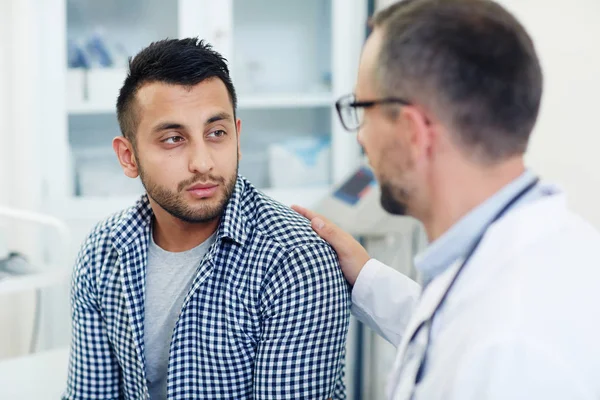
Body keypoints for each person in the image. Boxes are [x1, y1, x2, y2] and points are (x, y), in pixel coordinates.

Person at [293, 0, 600, 399]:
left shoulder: (515, 346)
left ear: (412, 130)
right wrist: (366, 275)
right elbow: (451, 333)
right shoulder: (538, 252)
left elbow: (477, 347)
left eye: (361, 110)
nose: (360, 136)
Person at [63, 38, 350, 400]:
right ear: (128, 156)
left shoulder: (295, 260)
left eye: (216, 133)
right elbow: (91, 395)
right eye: (172, 139)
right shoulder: (102, 251)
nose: (203, 162)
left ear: (237, 138)